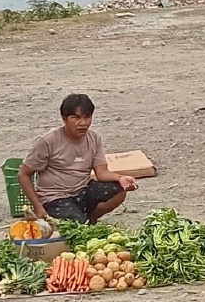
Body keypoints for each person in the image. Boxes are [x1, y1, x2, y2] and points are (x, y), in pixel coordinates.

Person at [19, 94, 137, 223]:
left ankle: (91, 220)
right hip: (55, 198)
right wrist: (38, 208)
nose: (83, 123)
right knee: (77, 225)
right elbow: (24, 174)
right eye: (76, 118)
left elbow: (102, 172)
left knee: (118, 190)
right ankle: (81, 221)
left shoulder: (94, 138)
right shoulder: (48, 141)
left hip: (82, 190)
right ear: (64, 119)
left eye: (87, 117)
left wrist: (121, 178)